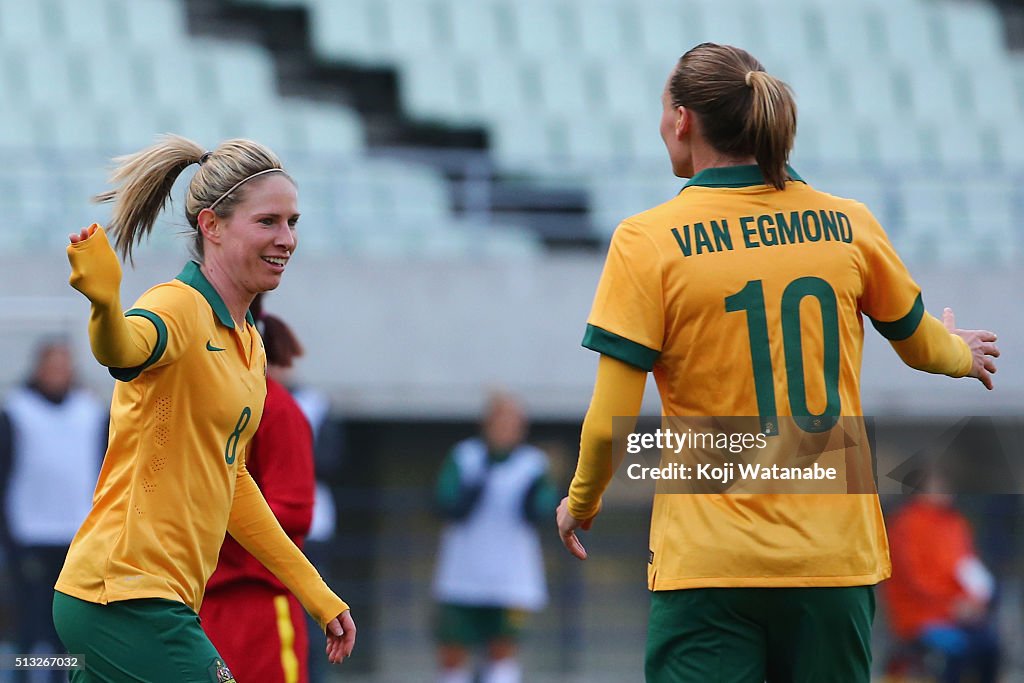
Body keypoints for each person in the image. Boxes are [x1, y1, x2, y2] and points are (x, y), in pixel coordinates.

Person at [555, 43, 1000, 682]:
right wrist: (959, 350)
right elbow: (923, 346)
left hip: (710, 560)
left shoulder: (647, 241)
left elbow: (608, 424)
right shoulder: (850, 224)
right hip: (833, 556)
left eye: (662, 110)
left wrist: (583, 500)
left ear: (682, 120)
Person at [52, 135, 355, 682]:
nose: (287, 239)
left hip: (141, 598)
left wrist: (317, 594)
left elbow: (233, 479)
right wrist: (104, 304)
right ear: (211, 226)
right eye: (269, 222)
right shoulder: (178, 305)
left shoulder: (250, 344)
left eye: (293, 222)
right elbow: (122, 349)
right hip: (124, 595)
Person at [199, 295, 317, 683]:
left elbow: (296, 512)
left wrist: (215, 521)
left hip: (259, 606)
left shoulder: (279, 411)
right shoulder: (197, 407)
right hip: (197, 604)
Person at [432, 392, 559, 683]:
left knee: (502, 650)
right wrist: (474, 487)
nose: (505, 429)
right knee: (453, 651)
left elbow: (543, 508)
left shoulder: (533, 464)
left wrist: (533, 499)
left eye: (512, 423)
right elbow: (445, 503)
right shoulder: (465, 456)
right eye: (499, 422)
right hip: (462, 572)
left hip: (511, 575)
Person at [0, 340, 104, 682]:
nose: (59, 373)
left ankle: (64, 678)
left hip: (78, 533)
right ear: (38, 368)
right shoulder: (15, 411)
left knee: (69, 626)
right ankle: (25, 676)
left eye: (65, 366)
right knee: (30, 625)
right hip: (29, 532)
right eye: (52, 366)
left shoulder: (91, 411)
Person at [884, 470, 1000, 683]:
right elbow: (915, 580)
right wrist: (952, 604)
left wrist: (974, 601)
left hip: (960, 613)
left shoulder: (954, 524)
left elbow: (968, 568)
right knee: (958, 649)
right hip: (920, 616)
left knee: (989, 645)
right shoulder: (906, 525)